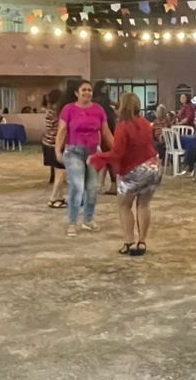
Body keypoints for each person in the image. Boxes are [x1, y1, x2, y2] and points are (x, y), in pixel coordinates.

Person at [88, 92, 161, 256]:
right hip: (153, 166)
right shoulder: (145, 122)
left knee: (124, 206)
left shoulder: (123, 125)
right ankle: (142, 242)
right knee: (144, 205)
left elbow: (117, 153)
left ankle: (129, 242)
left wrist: (98, 157)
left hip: (133, 169)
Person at [55, 79, 114, 237]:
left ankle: (88, 220)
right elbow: (62, 130)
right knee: (77, 186)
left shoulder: (98, 110)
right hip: (73, 151)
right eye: (84, 90)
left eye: (89, 90)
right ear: (76, 93)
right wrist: (57, 150)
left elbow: (106, 132)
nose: (87, 93)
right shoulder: (68, 109)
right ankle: (72, 222)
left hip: (93, 153)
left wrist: (116, 149)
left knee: (92, 188)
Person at [41, 88, 68, 209]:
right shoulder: (57, 113)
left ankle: (59, 197)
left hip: (48, 143)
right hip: (54, 144)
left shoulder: (49, 110)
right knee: (61, 173)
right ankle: (53, 198)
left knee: (59, 173)